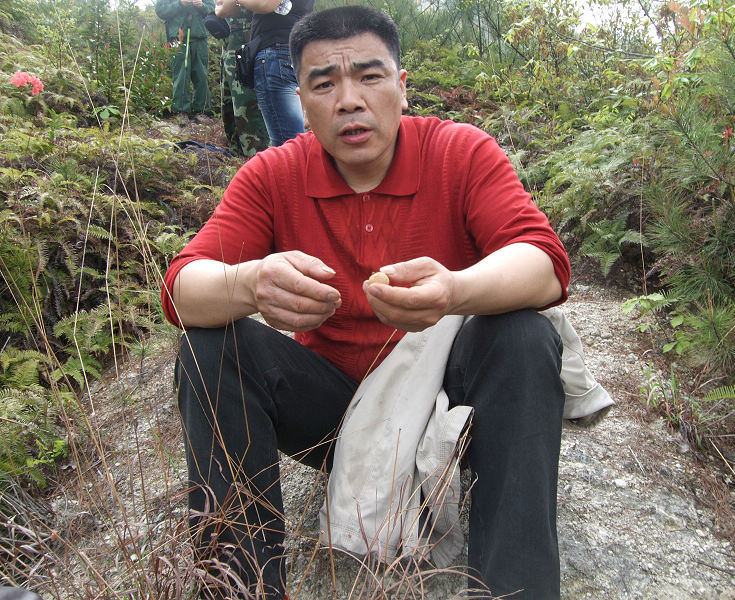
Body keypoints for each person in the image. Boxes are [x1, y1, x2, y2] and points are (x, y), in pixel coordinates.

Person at [162, 6, 570, 599]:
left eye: (370, 77)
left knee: (525, 336)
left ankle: (514, 591)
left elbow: (545, 262)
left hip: (448, 409)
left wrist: (454, 291)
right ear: (302, 103)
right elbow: (181, 288)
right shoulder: (274, 175)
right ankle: (241, 588)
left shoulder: (459, 152)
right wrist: (250, 283)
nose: (349, 100)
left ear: (402, 87)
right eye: (324, 84)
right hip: (336, 416)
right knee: (208, 348)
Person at [214, 0, 314, 147]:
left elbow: (266, 4)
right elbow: (226, 9)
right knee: (293, 143)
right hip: (293, 53)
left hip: (277, 54)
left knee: (291, 146)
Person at [217, 11, 270, 156]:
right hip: (229, 41)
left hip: (249, 40)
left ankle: (258, 160)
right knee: (229, 111)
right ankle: (237, 160)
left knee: (248, 110)